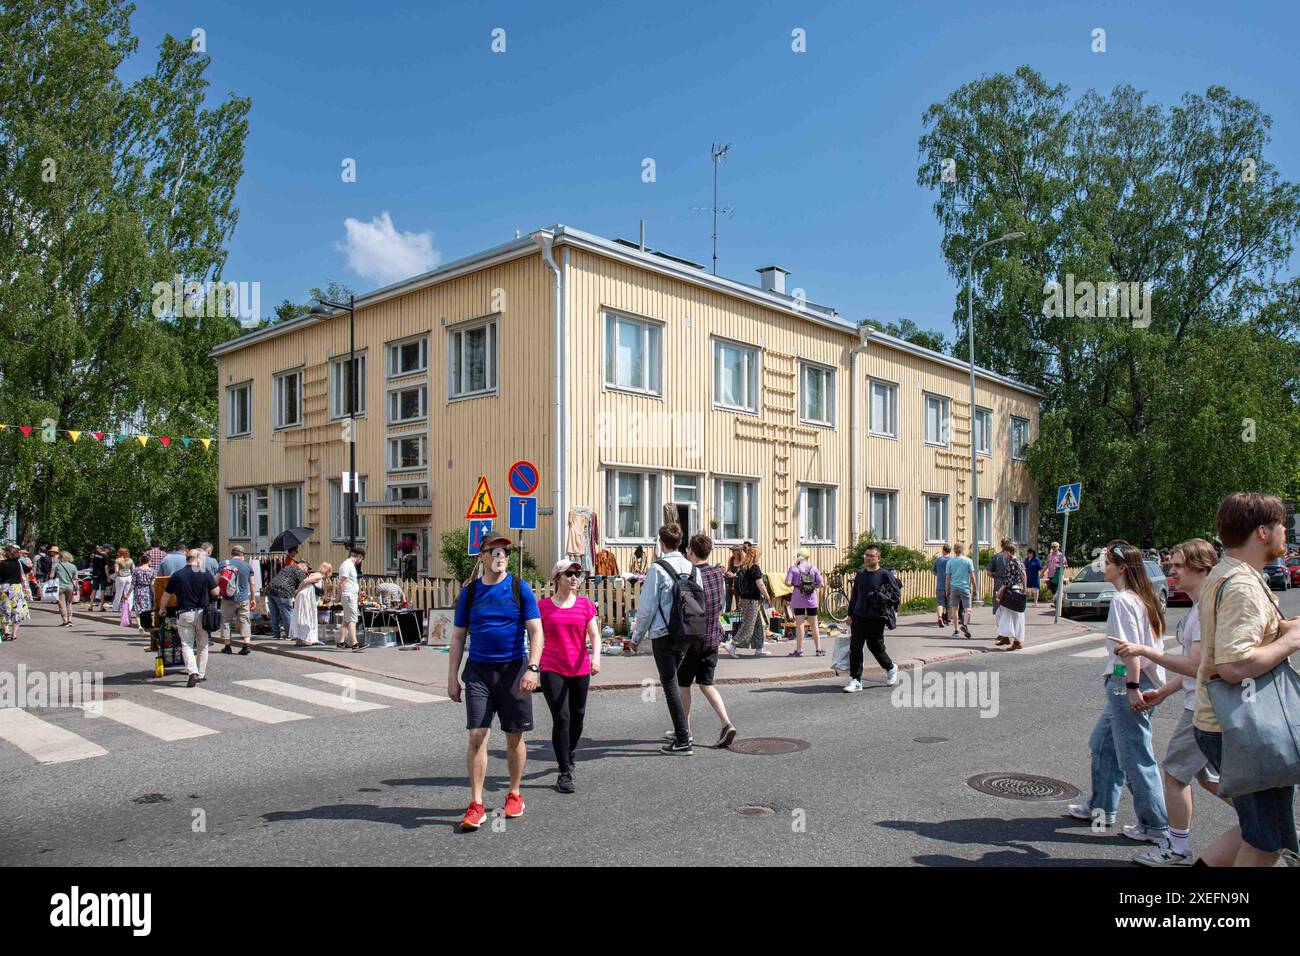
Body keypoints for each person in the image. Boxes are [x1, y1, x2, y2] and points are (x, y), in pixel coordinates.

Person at [1192, 493, 1300, 867]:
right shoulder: (1242, 586)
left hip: (1228, 723)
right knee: (1267, 842)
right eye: (1281, 524)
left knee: (1254, 829)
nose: (1286, 531)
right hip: (1244, 728)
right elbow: (1236, 665)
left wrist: (1281, 630)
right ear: (1263, 532)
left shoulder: (1227, 574)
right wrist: (1291, 640)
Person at [1112, 538, 1223, 866]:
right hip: (1202, 700)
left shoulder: (1204, 610)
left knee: (1174, 774)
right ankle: (1268, 820)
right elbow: (1196, 669)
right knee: (1209, 777)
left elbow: (1196, 665)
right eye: (1170, 564)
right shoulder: (1197, 605)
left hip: (1203, 707)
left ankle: (1177, 847)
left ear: (1201, 568)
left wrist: (1144, 652)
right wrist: (1165, 691)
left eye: (1177, 566)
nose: (1170, 571)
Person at [1067, 540, 1170, 849]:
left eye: (1108, 561)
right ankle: (1100, 808)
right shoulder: (1142, 598)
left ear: (1122, 567)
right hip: (1134, 681)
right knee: (1103, 745)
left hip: (1128, 683)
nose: (1104, 565)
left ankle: (1154, 824)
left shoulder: (1124, 600)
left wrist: (1131, 688)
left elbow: (1130, 652)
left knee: (1135, 755)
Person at [447, 534, 543, 830]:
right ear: (482, 557)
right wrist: (452, 677)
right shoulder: (470, 593)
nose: (501, 556)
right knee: (477, 734)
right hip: (478, 672)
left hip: (513, 670)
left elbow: (536, 632)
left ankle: (514, 793)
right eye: (494, 551)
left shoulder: (519, 588)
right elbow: (458, 636)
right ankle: (476, 804)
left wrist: (533, 668)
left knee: (514, 735)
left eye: (504, 551)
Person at [633, 523, 701, 755]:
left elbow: (647, 608)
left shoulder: (658, 568)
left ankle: (683, 739)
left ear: (661, 543)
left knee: (670, 683)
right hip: (687, 632)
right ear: (680, 542)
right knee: (674, 681)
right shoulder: (693, 569)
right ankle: (684, 732)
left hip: (663, 633)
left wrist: (636, 637)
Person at [538, 559, 600, 793]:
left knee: (578, 717)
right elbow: (535, 636)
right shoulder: (543, 606)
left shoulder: (585, 605)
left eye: (577, 573)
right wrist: (532, 666)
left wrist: (596, 658)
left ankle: (570, 750)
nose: (574, 578)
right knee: (562, 718)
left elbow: (594, 635)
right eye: (569, 574)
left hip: (580, 667)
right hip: (552, 666)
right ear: (557, 578)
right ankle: (564, 772)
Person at [673, 533, 737, 749]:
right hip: (712, 637)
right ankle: (726, 723)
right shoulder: (718, 574)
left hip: (692, 640)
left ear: (690, 551)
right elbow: (721, 606)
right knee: (706, 683)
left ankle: (685, 731)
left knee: (683, 684)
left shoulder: (690, 576)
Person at [156, 549, 219, 687]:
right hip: (203, 614)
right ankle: (201, 673)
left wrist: (162, 609)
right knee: (203, 643)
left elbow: (166, 595)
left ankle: (192, 672)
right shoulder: (204, 573)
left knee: (187, 644)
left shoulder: (177, 575)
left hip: (184, 613)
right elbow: (216, 591)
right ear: (196, 558)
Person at [843, 546, 900, 692]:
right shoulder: (860, 574)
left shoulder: (884, 575)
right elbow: (855, 595)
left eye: (872, 556)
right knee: (855, 647)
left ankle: (890, 667)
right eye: (866, 555)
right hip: (859, 616)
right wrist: (850, 614)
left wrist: (889, 606)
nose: (868, 558)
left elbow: (895, 594)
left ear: (878, 558)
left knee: (875, 646)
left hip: (876, 616)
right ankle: (856, 680)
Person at [723, 544, 772, 658]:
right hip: (752, 601)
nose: (760, 556)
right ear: (755, 555)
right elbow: (760, 584)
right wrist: (768, 597)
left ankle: (759, 648)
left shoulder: (743, 567)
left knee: (758, 625)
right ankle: (732, 645)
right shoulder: (754, 567)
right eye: (759, 554)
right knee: (748, 625)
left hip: (745, 599)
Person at [784, 547, 825, 657]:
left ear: (798, 557)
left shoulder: (793, 568)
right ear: (808, 557)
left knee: (800, 624)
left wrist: (797, 584)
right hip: (811, 598)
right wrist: (811, 586)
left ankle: (799, 650)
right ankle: (819, 649)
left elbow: (787, 583)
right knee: (814, 624)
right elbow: (821, 584)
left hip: (798, 598)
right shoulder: (813, 568)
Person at [218, 545, 254, 655]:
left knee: (226, 621)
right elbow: (252, 584)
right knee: (245, 620)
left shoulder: (225, 564)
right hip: (243, 598)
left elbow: (217, 579)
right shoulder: (248, 566)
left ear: (232, 553)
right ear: (242, 554)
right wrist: (253, 598)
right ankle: (246, 645)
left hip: (228, 598)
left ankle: (227, 646)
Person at [264, 552, 306, 641]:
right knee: (286, 613)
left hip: (271, 589)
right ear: (303, 566)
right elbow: (303, 584)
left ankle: (276, 634)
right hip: (283, 591)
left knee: (274, 613)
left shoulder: (287, 567)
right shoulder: (299, 571)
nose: (306, 571)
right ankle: (290, 635)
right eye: (306, 569)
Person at [993, 541, 1027, 651]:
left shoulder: (1012, 562)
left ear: (1009, 552)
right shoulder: (1019, 560)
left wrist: (1000, 592)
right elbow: (1024, 575)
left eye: (1004, 552)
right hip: (1017, 590)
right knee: (1003, 614)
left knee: (1010, 616)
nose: (1003, 554)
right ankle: (1006, 637)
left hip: (1011, 592)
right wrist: (1025, 589)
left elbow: (1008, 581)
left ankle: (1016, 641)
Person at [290, 562, 332, 646]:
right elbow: (304, 581)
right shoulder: (318, 575)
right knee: (305, 617)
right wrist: (297, 591)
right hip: (305, 596)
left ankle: (303, 638)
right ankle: (303, 639)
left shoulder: (317, 575)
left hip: (305, 595)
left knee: (303, 617)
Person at [336, 547, 365, 651]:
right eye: (361, 559)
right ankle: (355, 644)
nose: (360, 561)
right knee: (353, 619)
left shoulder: (349, 565)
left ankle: (341, 642)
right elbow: (342, 581)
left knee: (346, 620)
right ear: (359, 557)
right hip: (348, 595)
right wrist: (339, 596)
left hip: (349, 595)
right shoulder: (347, 565)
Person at [0, 545, 32, 642]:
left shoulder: (2, 564)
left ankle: (6, 631)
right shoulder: (19, 563)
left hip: (5, 588)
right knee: (17, 611)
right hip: (16, 589)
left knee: (5, 610)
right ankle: (14, 634)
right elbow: (28, 569)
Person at [944, 543, 974, 639]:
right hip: (965, 587)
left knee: (954, 609)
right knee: (968, 609)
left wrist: (947, 589)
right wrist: (975, 587)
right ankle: (964, 625)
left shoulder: (950, 562)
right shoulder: (968, 561)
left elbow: (948, 578)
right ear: (963, 549)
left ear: (954, 550)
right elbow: (972, 576)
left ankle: (956, 631)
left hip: (954, 587)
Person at [132, 551, 157, 636]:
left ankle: (140, 626)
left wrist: (128, 594)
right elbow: (152, 584)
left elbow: (133, 584)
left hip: (138, 591)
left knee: (138, 610)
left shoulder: (136, 570)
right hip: (147, 591)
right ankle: (147, 626)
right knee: (147, 610)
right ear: (149, 561)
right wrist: (154, 595)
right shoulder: (152, 571)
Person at [987, 536, 1011, 614]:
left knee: (997, 600)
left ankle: (999, 619)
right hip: (1010, 582)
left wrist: (996, 575)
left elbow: (989, 573)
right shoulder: (1014, 557)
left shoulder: (996, 557)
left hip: (999, 581)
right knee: (1010, 601)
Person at [54, 550, 78, 627]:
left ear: (61, 557)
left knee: (62, 604)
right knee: (69, 603)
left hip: (60, 586)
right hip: (70, 587)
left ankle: (65, 621)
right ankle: (70, 620)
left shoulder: (57, 566)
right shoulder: (73, 566)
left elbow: (51, 576)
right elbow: (75, 578)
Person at [110, 547, 134, 614]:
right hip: (129, 577)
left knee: (118, 593)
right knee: (128, 593)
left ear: (120, 553)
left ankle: (115, 608)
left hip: (120, 577)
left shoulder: (117, 560)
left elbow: (116, 570)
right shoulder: (131, 560)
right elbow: (133, 570)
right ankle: (128, 608)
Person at [933, 544, 951, 627]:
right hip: (950, 586)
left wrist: (940, 574)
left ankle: (940, 617)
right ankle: (948, 620)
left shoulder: (938, 560)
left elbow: (934, 572)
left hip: (940, 585)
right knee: (950, 604)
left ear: (943, 550)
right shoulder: (952, 560)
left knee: (940, 603)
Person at [89, 544, 110, 612]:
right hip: (102, 575)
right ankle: (101, 607)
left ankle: (90, 606)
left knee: (94, 590)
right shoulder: (105, 556)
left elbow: (92, 562)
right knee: (102, 591)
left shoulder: (95, 554)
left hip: (95, 574)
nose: (109, 551)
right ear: (106, 549)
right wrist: (108, 577)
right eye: (109, 549)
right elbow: (106, 567)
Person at [723, 545, 743, 614]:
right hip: (729, 583)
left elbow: (743, 574)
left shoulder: (743, 561)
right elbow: (729, 570)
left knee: (739, 604)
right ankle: (727, 616)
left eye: (735, 550)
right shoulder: (731, 560)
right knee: (728, 602)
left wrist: (734, 575)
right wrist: (727, 572)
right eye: (732, 550)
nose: (733, 552)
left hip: (739, 584)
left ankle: (738, 620)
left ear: (739, 551)